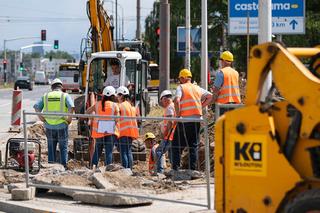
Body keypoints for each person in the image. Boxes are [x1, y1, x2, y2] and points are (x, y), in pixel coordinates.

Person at [172, 69, 213, 171]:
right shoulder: (197, 88)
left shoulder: (181, 87)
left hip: (184, 120)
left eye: (180, 78)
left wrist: (178, 114)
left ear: (183, 78)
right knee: (193, 145)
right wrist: (201, 106)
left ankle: (175, 168)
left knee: (176, 145)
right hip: (197, 120)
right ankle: (192, 169)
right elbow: (210, 96)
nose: (180, 80)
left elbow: (177, 100)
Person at [33, 78, 74, 168]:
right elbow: (71, 107)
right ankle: (64, 166)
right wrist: (69, 120)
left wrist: (42, 119)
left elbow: (36, 107)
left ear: (52, 87)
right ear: (61, 87)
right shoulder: (65, 95)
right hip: (62, 126)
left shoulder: (46, 96)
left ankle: (51, 166)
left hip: (49, 126)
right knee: (63, 148)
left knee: (51, 148)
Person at [86, 86, 119, 167]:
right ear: (112, 96)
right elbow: (117, 119)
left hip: (99, 132)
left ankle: (93, 166)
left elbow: (87, 111)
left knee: (97, 150)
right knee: (108, 151)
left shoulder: (97, 104)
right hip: (110, 131)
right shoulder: (115, 105)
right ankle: (108, 168)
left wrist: (93, 116)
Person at [211, 51, 241, 115]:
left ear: (224, 61)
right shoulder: (236, 73)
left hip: (223, 106)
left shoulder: (221, 73)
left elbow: (216, 90)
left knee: (222, 124)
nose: (221, 62)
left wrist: (212, 102)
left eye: (221, 60)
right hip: (235, 105)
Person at [117, 86, 139, 169]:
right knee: (128, 151)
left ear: (122, 96)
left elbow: (117, 118)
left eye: (118, 95)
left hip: (123, 132)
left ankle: (125, 169)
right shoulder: (131, 106)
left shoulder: (120, 106)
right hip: (130, 133)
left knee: (123, 152)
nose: (117, 97)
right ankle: (130, 169)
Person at [156, 90, 175, 173]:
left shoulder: (169, 107)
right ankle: (174, 169)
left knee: (159, 151)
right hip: (173, 134)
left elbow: (170, 122)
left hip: (169, 135)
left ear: (165, 99)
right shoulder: (174, 106)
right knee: (172, 153)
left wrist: (165, 134)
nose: (162, 103)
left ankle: (160, 171)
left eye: (162, 100)